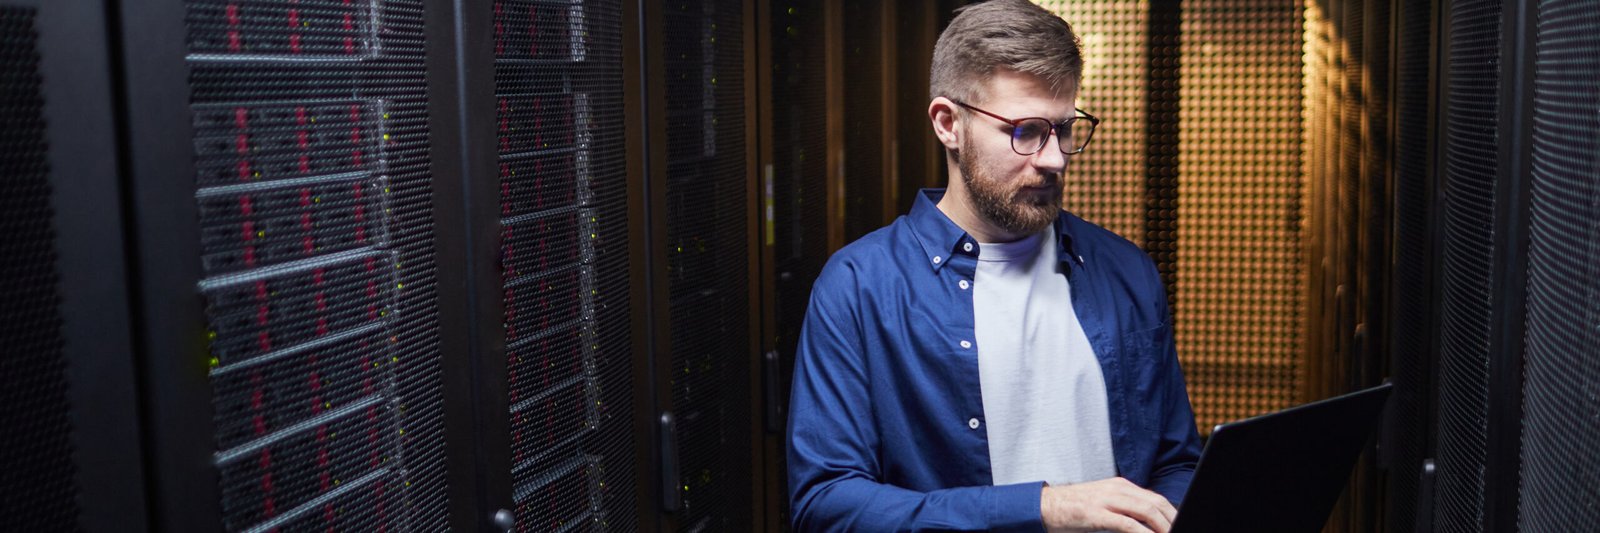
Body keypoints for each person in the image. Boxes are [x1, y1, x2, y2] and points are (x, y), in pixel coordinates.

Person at [785, 1, 1203, 531]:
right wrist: (1042, 508)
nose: (1053, 158)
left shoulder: (1128, 271)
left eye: (1064, 128)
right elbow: (827, 505)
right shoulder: (860, 288)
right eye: (1026, 130)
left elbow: (1177, 462)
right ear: (948, 124)